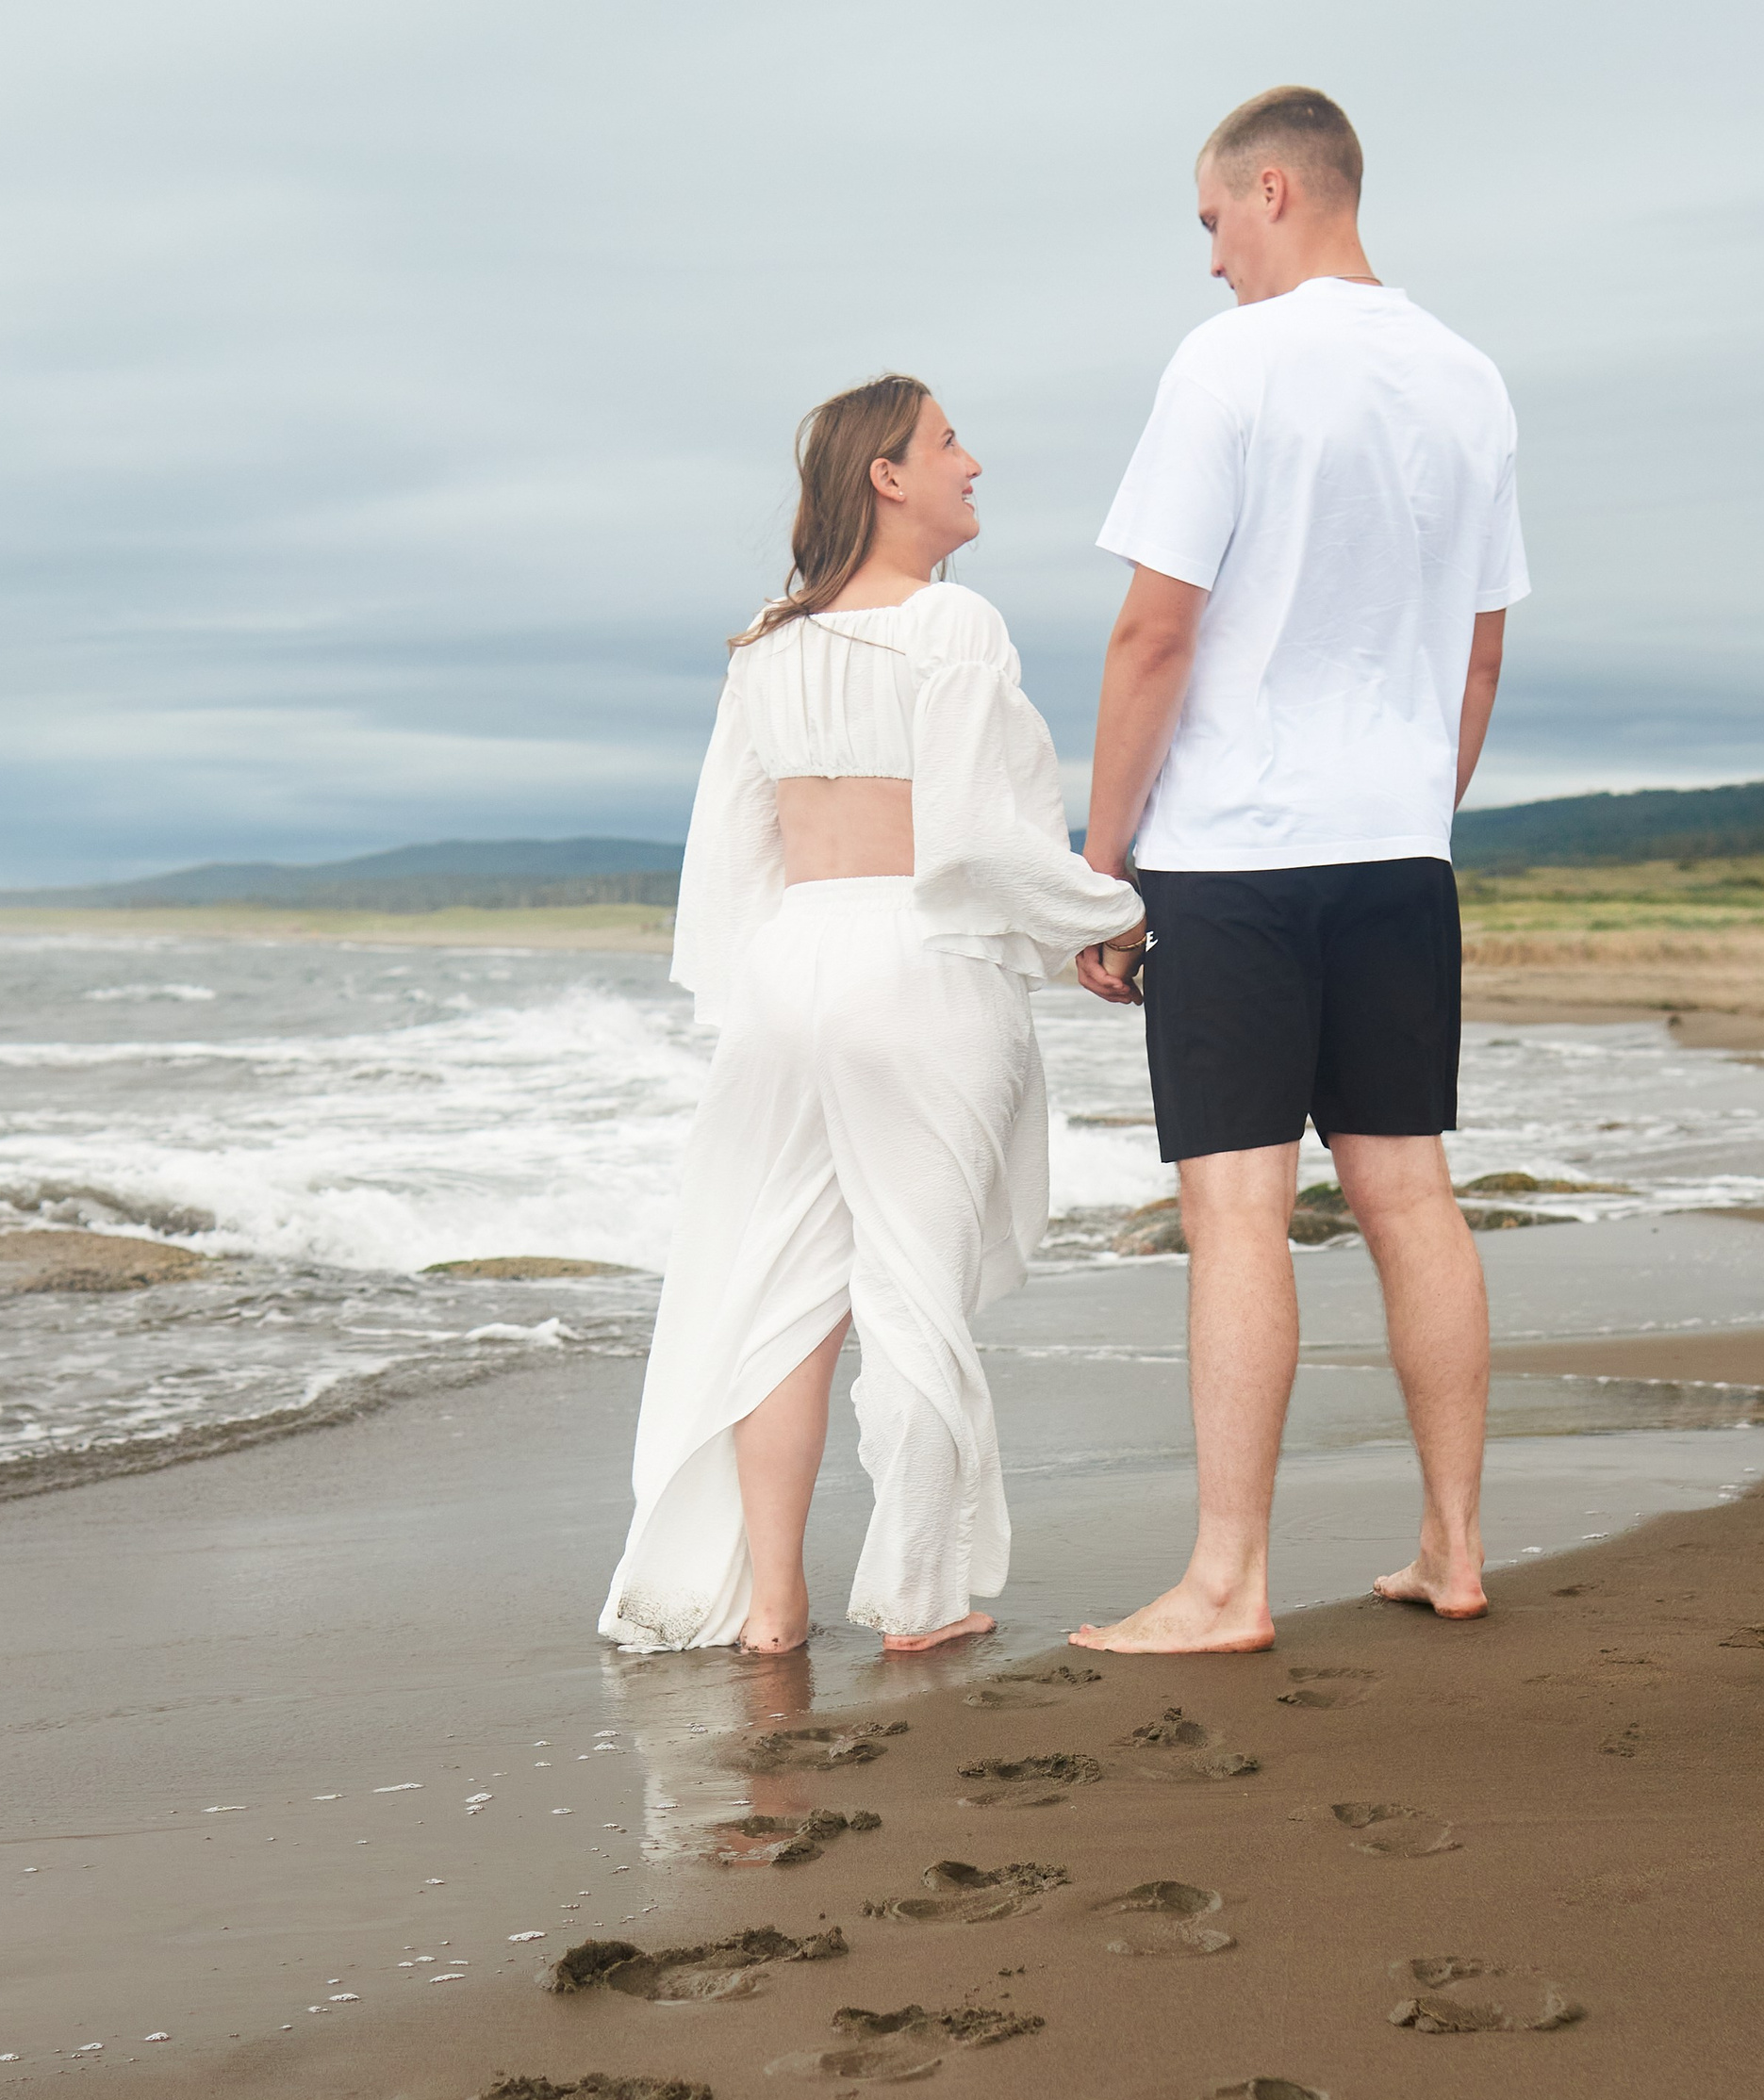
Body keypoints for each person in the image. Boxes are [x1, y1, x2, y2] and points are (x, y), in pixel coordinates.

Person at [1069, 84, 1529, 1656]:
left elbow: (1155, 632)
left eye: (1211, 223)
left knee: (1240, 1215)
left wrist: (1102, 860)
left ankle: (1228, 1583)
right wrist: (1414, 810)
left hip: (1235, 862)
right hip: (1398, 855)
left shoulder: (1233, 364)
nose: (1209, 261)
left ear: (1274, 188)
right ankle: (1455, 1549)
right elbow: (1478, 658)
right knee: (1410, 1197)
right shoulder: (1469, 379)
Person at [602, 376, 1144, 1657]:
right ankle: (917, 1599)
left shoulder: (767, 641)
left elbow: (733, 849)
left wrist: (760, 988)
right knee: (909, 1291)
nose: (974, 463)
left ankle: (774, 1606)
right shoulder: (953, 628)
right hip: (916, 964)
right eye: (950, 443)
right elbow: (970, 845)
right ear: (885, 477)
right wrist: (1113, 909)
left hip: (792, 970)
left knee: (781, 1297)